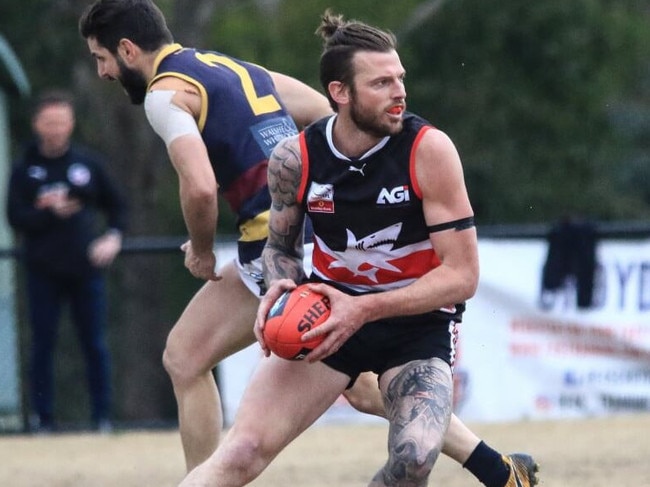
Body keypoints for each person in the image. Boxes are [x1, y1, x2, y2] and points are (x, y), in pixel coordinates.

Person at [79, 2, 538, 486]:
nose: (103, 70)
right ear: (343, 91)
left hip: (302, 255)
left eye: (101, 58)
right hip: (297, 246)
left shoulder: (164, 93)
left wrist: (202, 249)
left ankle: (493, 468)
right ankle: (497, 470)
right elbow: (322, 118)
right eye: (381, 83)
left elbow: (198, 186)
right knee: (333, 395)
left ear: (127, 49)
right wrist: (293, 256)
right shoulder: (237, 72)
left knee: (186, 358)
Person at [6, 89, 127, 433]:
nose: (56, 128)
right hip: (41, 271)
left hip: (86, 271)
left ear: (71, 123)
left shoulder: (87, 164)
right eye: (49, 122)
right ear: (37, 124)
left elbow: (117, 206)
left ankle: (102, 419)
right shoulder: (24, 168)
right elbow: (15, 217)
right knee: (42, 345)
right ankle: (42, 420)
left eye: (61, 121)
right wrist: (49, 214)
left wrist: (112, 237)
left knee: (95, 344)